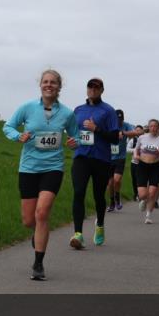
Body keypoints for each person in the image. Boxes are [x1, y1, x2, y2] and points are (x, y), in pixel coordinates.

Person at [3, 70, 78, 281]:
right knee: (29, 220)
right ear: (40, 85)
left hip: (53, 167)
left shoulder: (67, 113)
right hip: (28, 168)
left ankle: (38, 264)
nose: (49, 85)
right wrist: (19, 136)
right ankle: (37, 234)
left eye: (53, 82)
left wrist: (75, 142)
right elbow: (7, 126)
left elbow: (77, 135)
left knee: (42, 212)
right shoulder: (27, 108)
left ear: (59, 87)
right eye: (45, 82)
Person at [68, 78, 120, 248]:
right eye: (90, 87)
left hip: (101, 159)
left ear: (102, 90)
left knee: (98, 196)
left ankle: (99, 225)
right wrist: (72, 141)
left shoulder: (108, 111)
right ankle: (78, 233)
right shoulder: (78, 110)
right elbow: (73, 133)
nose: (92, 90)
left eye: (96, 87)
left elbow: (114, 138)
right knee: (79, 192)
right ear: (87, 89)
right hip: (81, 157)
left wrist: (96, 129)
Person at [134, 119, 159, 224]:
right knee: (142, 194)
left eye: (155, 126)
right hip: (142, 166)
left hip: (156, 166)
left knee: (153, 192)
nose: (153, 128)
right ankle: (143, 200)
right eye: (151, 126)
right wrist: (136, 156)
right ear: (148, 127)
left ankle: (148, 215)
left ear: (158, 128)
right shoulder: (142, 138)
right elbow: (136, 149)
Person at [107, 109, 141, 212]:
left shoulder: (125, 125)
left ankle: (117, 198)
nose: (119, 121)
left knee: (117, 180)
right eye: (117, 119)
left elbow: (135, 132)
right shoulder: (109, 125)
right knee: (110, 183)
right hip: (108, 157)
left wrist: (123, 132)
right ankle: (112, 202)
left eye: (120, 119)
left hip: (120, 158)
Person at [130, 125, 146, 200]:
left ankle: (141, 194)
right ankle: (135, 194)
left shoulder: (145, 139)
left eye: (139, 130)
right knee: (134, 179)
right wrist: (135, 150)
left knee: (140, 179)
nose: (138, 132)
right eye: (136, 130)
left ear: (142, 131)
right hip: (134, 162)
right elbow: (127, 149)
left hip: (143, 162)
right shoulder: (133, 140)